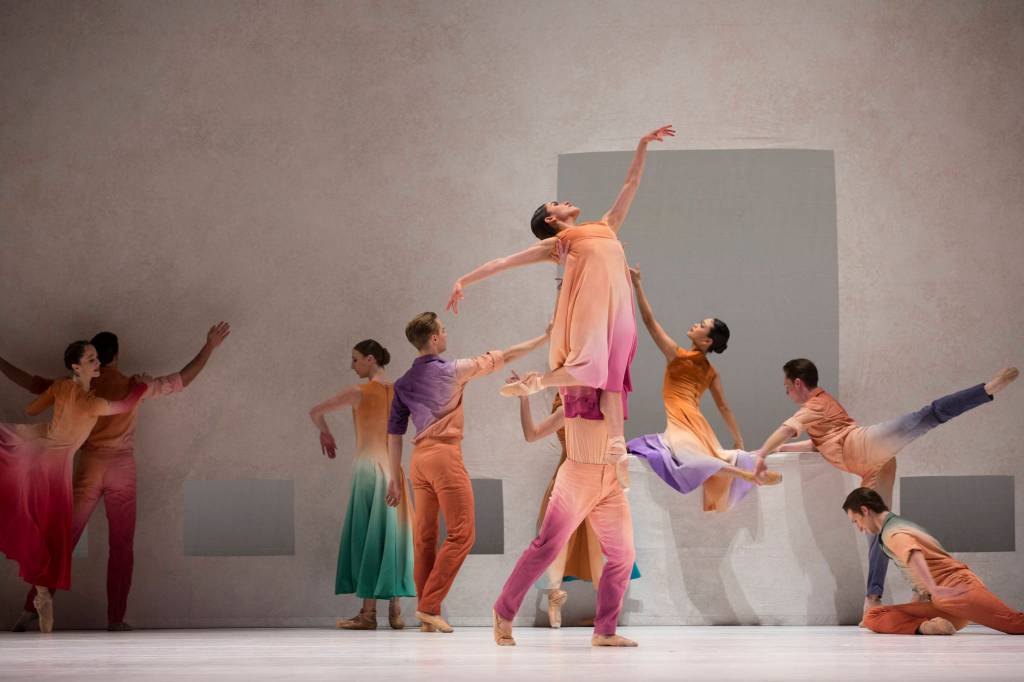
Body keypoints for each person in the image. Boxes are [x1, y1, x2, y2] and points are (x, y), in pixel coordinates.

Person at [446, 125, 676, 464]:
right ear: (552, 218)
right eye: (557, 203)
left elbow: (630, 184)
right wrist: (463, 280)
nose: (566, 200)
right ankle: (538, 382)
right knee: (588, 368)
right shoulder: (559, 244)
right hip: (591, 313)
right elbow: (504, 261)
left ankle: (615, 445)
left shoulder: (606, 225)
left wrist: (642, 145)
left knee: (612, 379)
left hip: (620, 313)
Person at [3, 322, 230, 632]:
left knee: (63, 542)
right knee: (121, 546)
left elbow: (31, 383)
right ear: (117, 356)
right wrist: (209, 346)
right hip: (122, 469)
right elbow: (183, 379)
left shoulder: (76, 385)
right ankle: (116, 618)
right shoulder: (134, 385)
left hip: (89, 466)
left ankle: (31, 608)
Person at [753, 360, 1018, 619]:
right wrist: (776, 450)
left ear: (798, 383)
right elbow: (817, 444)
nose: (787, 393)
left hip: (865, 445)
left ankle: (986, 390)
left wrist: (762, 454)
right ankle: (875, 597)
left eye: (787, 387)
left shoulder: (813, 405)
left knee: (925, 417)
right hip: (873, 468)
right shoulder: (821, 409)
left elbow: (786, 430)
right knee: (876, 529)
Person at [385, 312, 548, 634]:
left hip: (418, 461)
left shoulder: (402, 383)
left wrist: (394, 476)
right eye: (442, 331)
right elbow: (506, 355)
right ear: (433, 339)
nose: (446, 334)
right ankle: (429, 607)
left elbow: (393, 432)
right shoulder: (452, 370)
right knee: (462, 534)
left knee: (425, 539)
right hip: (444, 456)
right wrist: (544, 338)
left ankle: (426, 613)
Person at [0, 341, 150, 633]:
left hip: (34, 447)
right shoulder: (91, 402)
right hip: (54, 469)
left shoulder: (60, 387)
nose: (98, 364)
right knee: (53, 536)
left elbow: (32, 409)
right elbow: (125, 404)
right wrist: (141, 386)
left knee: (50, 535)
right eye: (92, 360)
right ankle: (40, 603)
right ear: (77, 366)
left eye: (97, 358)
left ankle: (33, 606)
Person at [625, 265, 778, 511]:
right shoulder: (710, 371)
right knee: (707, 456)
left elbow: (649, 321)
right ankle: (742, 467)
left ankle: (747, 475)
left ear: (706, 340)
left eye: (700, 325)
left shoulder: (677, 356)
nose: (695, 325)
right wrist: (738, 440)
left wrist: (637, 284)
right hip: (697, 423)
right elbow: (723, 407)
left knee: (690, 460)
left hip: (682, 423)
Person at [308, 339, 414, 630]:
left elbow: (315, 411)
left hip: (368, 470)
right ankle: (395, 610)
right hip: (394, 469)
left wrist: (325, 434)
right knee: (391, 535)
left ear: (370, 359)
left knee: (370, 534)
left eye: (355, 360)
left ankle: (368, 614)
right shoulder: (400, 391)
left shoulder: (359, 392)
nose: (352, 365)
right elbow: (398, 436)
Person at [516, 389, 640, 628]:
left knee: (594, 543)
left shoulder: (596, 397)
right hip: (576, 476)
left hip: (593, 479)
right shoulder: (571, 402)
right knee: (557, 541)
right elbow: (532, 434)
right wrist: (524, 399)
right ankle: (558, 601)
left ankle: (603, 610)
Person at [843, 487, 1024, 635]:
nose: (859, 528)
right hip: (943, 605)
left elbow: (914, 553)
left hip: (956, 590)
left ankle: (927, 623)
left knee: (1014, 623)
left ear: (865, 510)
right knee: (873, 615)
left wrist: (933, 587)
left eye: (856, 521)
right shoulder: (898, 524)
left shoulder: (893, 532)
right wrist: (927, 592)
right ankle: (928, 627)